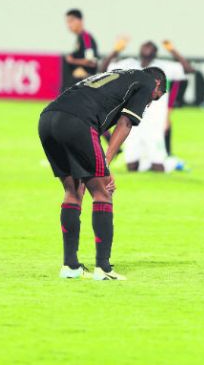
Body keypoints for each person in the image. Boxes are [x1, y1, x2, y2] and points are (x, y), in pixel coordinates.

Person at [39, 67, 167, 280]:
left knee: (73, 191)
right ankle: (103, 269)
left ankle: (70, 266)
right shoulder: (146, 82)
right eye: (155, 97)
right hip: (78, 122)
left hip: (48, 118)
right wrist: (105, 164)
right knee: (103, 192)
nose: (150, 102)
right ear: (157, 84)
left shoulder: (120, 75)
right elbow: (126, 123)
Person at [101, 38, 194, 171]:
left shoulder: (163, 67)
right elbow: (103, 69)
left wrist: (172, 50)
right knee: (132, 167)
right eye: (145, 45)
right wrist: (116, 50)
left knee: (158, 167)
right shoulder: (129, 64)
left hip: (155, 121)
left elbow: (188, 70)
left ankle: (174, 163)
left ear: (155, 52)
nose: (147, 47)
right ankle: (146, 163)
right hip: (132, 118)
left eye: (150, 46)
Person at [63, 9, 100, 89]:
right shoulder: (79, 38)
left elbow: (92, 62)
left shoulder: (86, 37)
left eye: (71, 21)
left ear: (80, 21)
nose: (69, 25)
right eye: (67, 22)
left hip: (85, 82)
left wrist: (72, 60)